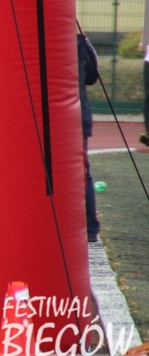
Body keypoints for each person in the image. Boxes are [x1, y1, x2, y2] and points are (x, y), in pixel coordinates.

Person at [78, 32, 101, 243]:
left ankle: (90, 227)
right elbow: (92, 77)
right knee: (82, 173)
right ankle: (90, 228)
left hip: (72, 120)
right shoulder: (81, 43)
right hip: (78, 117)